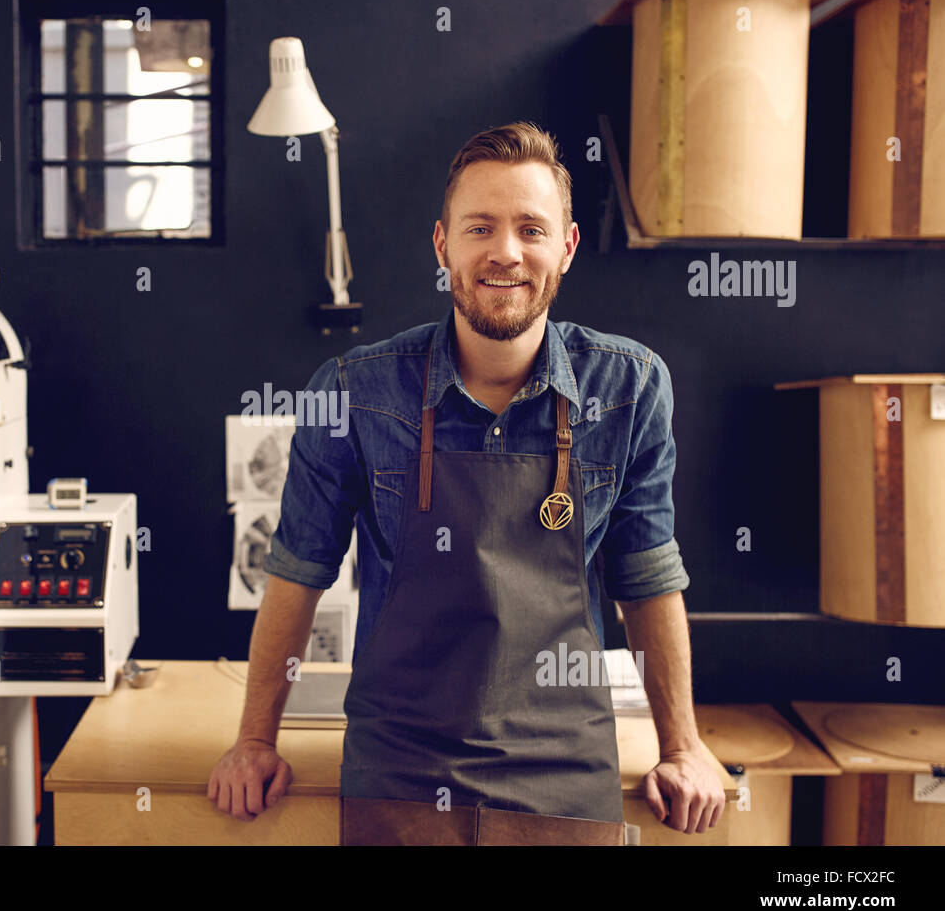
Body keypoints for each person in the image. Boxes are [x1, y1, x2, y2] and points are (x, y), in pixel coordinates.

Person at [207, 121, 725, 844]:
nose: (505, 251)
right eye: (480, 227)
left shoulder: (629, 387)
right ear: (442, 245)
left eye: (531, 229)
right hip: (399, 767)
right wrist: (255, 740)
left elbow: (646, 579)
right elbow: (298, 573)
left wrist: (683, 746)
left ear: (567, 247)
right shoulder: (353, 391)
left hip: (564, 771)